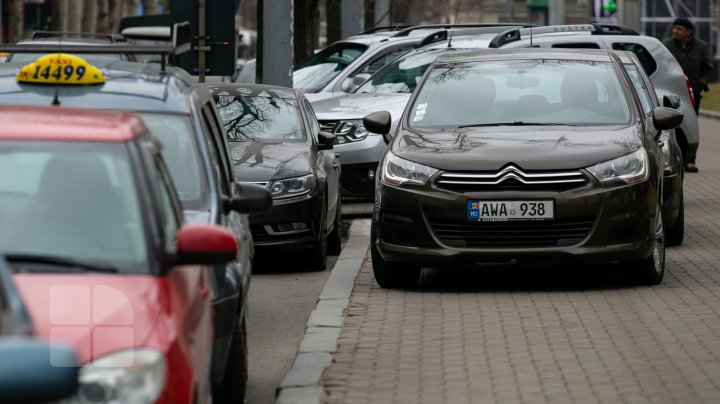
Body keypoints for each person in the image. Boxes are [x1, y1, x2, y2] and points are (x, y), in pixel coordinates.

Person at [663, 17, 714, 173]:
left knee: (690, 126)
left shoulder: (701, 46)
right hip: (670, 94)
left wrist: (702, 83)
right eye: (674, 28)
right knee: (671, 127)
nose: (675, 31)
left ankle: (691, 161)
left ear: (688, 32)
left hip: (692, 95)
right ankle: (671, 160)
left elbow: (708, 68)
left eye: (679, 29)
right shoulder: (666, 45)